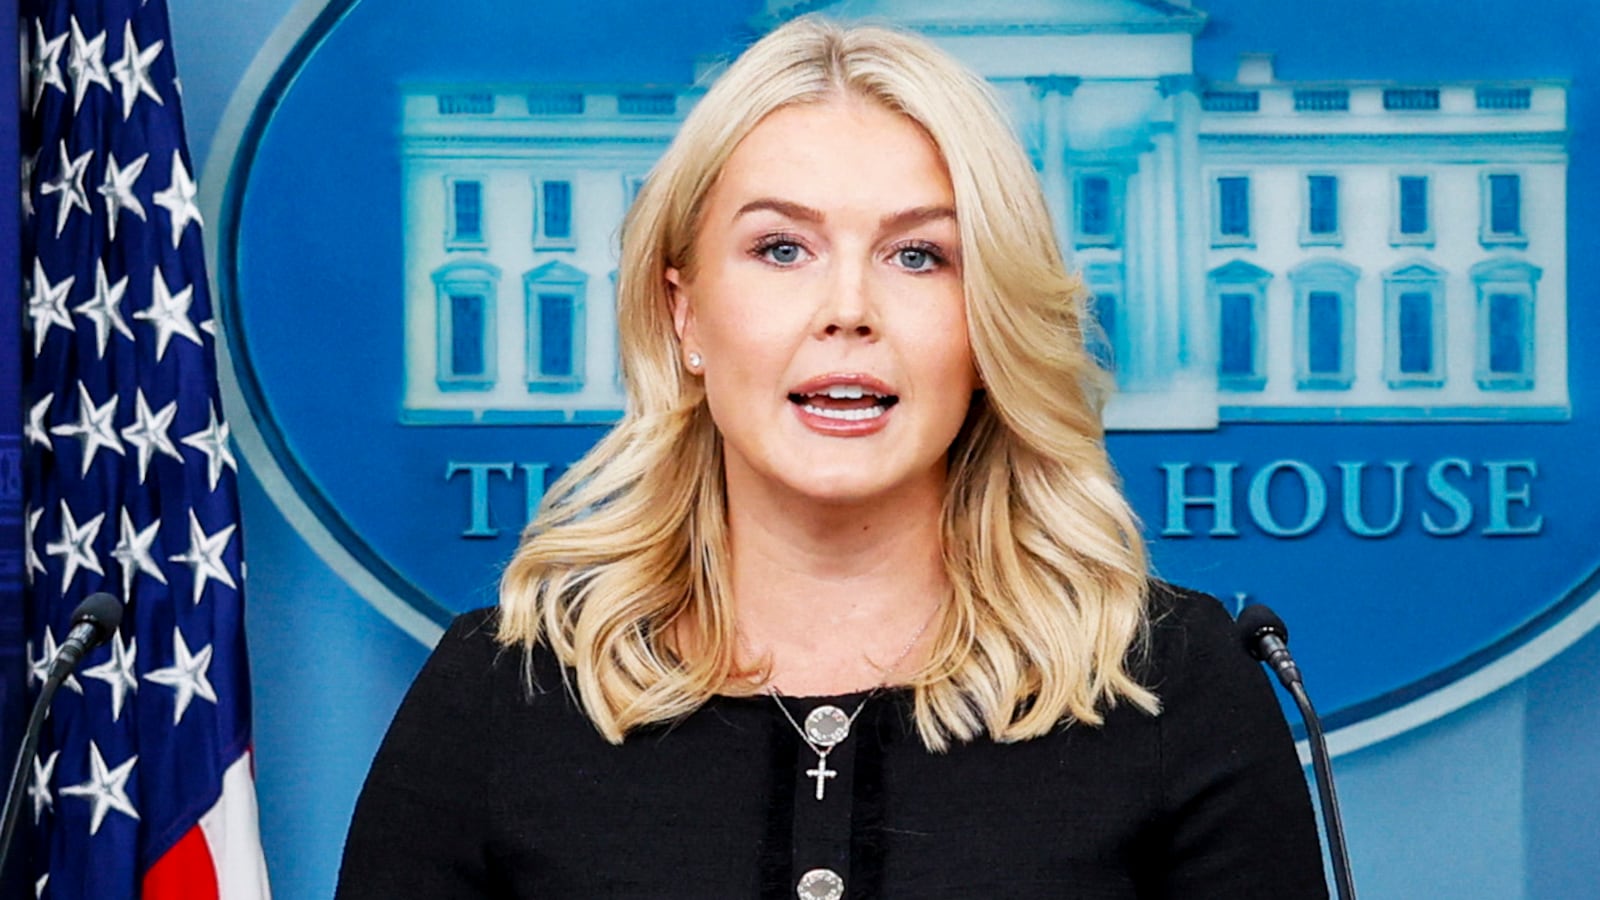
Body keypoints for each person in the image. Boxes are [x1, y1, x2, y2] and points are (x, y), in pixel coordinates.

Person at [336, 16, 1327, 899]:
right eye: (780, 249)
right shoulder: (498, 696)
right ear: (685, 315)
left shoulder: (1173, 685)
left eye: (918, 256)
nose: (846, 309)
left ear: (987, 328)